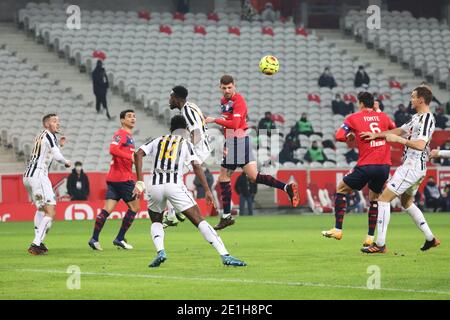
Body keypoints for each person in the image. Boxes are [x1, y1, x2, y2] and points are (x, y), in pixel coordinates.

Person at [132, 115, 246, 267]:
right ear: (185, 130)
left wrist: (140, 181)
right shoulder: (185, 143)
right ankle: (225, 255)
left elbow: (138, 153)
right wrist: (207, 190)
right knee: (199, 220)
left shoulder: (158, 140)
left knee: (156, 221)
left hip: (155, 186)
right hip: (174, 185)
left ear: (170, 128)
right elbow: (196, 166)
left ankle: (161, 251)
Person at [205, 75, 299, 230]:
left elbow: (235, 124)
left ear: (234, 86)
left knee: (224, 176)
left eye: (230, 87)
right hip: (239, 141)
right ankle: (287, 187)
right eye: (224, 88)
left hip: (237, 141)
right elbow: (229, 124)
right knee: (254, 177)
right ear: (219, 87)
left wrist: (214, 120)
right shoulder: (224, 102)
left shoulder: (239, 101)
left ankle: (226, 216)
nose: (227, 90)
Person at [361, 86, 440, 253]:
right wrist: (377, 135)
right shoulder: (416, 118)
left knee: (383, 199)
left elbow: (420, 144)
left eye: (413, 97)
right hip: (415, 167)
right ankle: (430, 238)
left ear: (421, 100)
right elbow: (399, 130)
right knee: (406, 202)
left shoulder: (427, 119)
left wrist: (398, 140)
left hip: (412, 166)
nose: (411, 100)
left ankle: (380, 244)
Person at [322, 92, 395, 247]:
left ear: (360, 103)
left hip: (366, 164)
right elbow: (395, 130)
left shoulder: (353, 117)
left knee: (341, 189)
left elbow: (339, 135)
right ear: (373, 103)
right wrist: (379, 112)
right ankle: (369, 237)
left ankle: (338, 229)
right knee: (374, 198)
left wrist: (348, 136)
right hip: (384, 166)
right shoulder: (383, 117)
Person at [88, 110, 139, 251]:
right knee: (135, 207)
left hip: (113, 178)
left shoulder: (129, 136)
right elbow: (112, 149)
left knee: (107, 209)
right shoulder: (121, 134)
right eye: (129, 116)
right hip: (123, 179)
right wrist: (130, 157)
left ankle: (94, 239)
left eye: (134, 116)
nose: (133, 118)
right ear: (122, 120)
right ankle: (120, 238)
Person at [163, 85, 212, 227]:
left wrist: (187, 149)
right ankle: (175, 212)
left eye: (171, 97)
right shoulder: (192, 106)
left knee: (169, 176)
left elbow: (196, 133)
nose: (169, 100)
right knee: (172, 177)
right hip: (202, 148)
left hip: (198, 150)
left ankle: (173, 214)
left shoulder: (187, 112)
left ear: (177, 98)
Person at [23, 114, 71, 255]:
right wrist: (66, 161)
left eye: (58, 121)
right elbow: (56, 156)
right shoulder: (49, 135)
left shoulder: (42, 136)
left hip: (28, 176)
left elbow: (47, 153)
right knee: (50, 211)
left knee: (41, 209)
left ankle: (39, 241)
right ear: (46, 125)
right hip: (39, 176)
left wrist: (59, 145)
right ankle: (36, 243)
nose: (58, 123)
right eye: (54, 121)